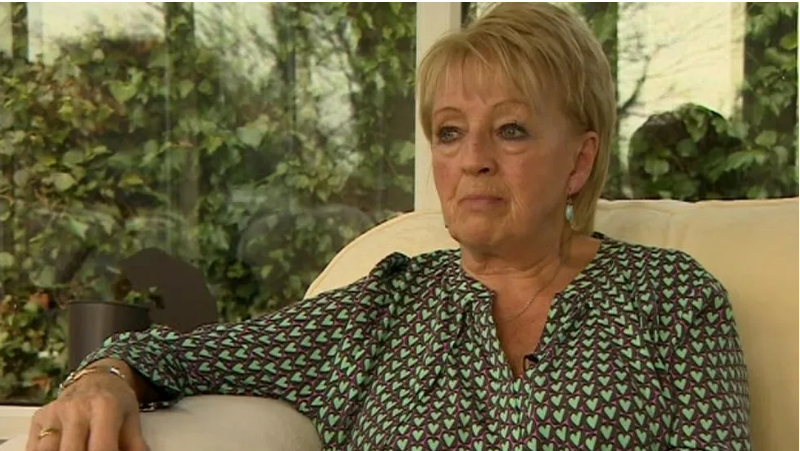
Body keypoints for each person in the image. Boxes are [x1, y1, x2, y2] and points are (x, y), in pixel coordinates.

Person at [27, 3, 751, 450]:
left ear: (580, 158)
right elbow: (177, 354)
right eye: (448, 132)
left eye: (511, 130)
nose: (473, 161)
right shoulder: (381, 310)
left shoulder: (671, 300)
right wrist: (106, 378)